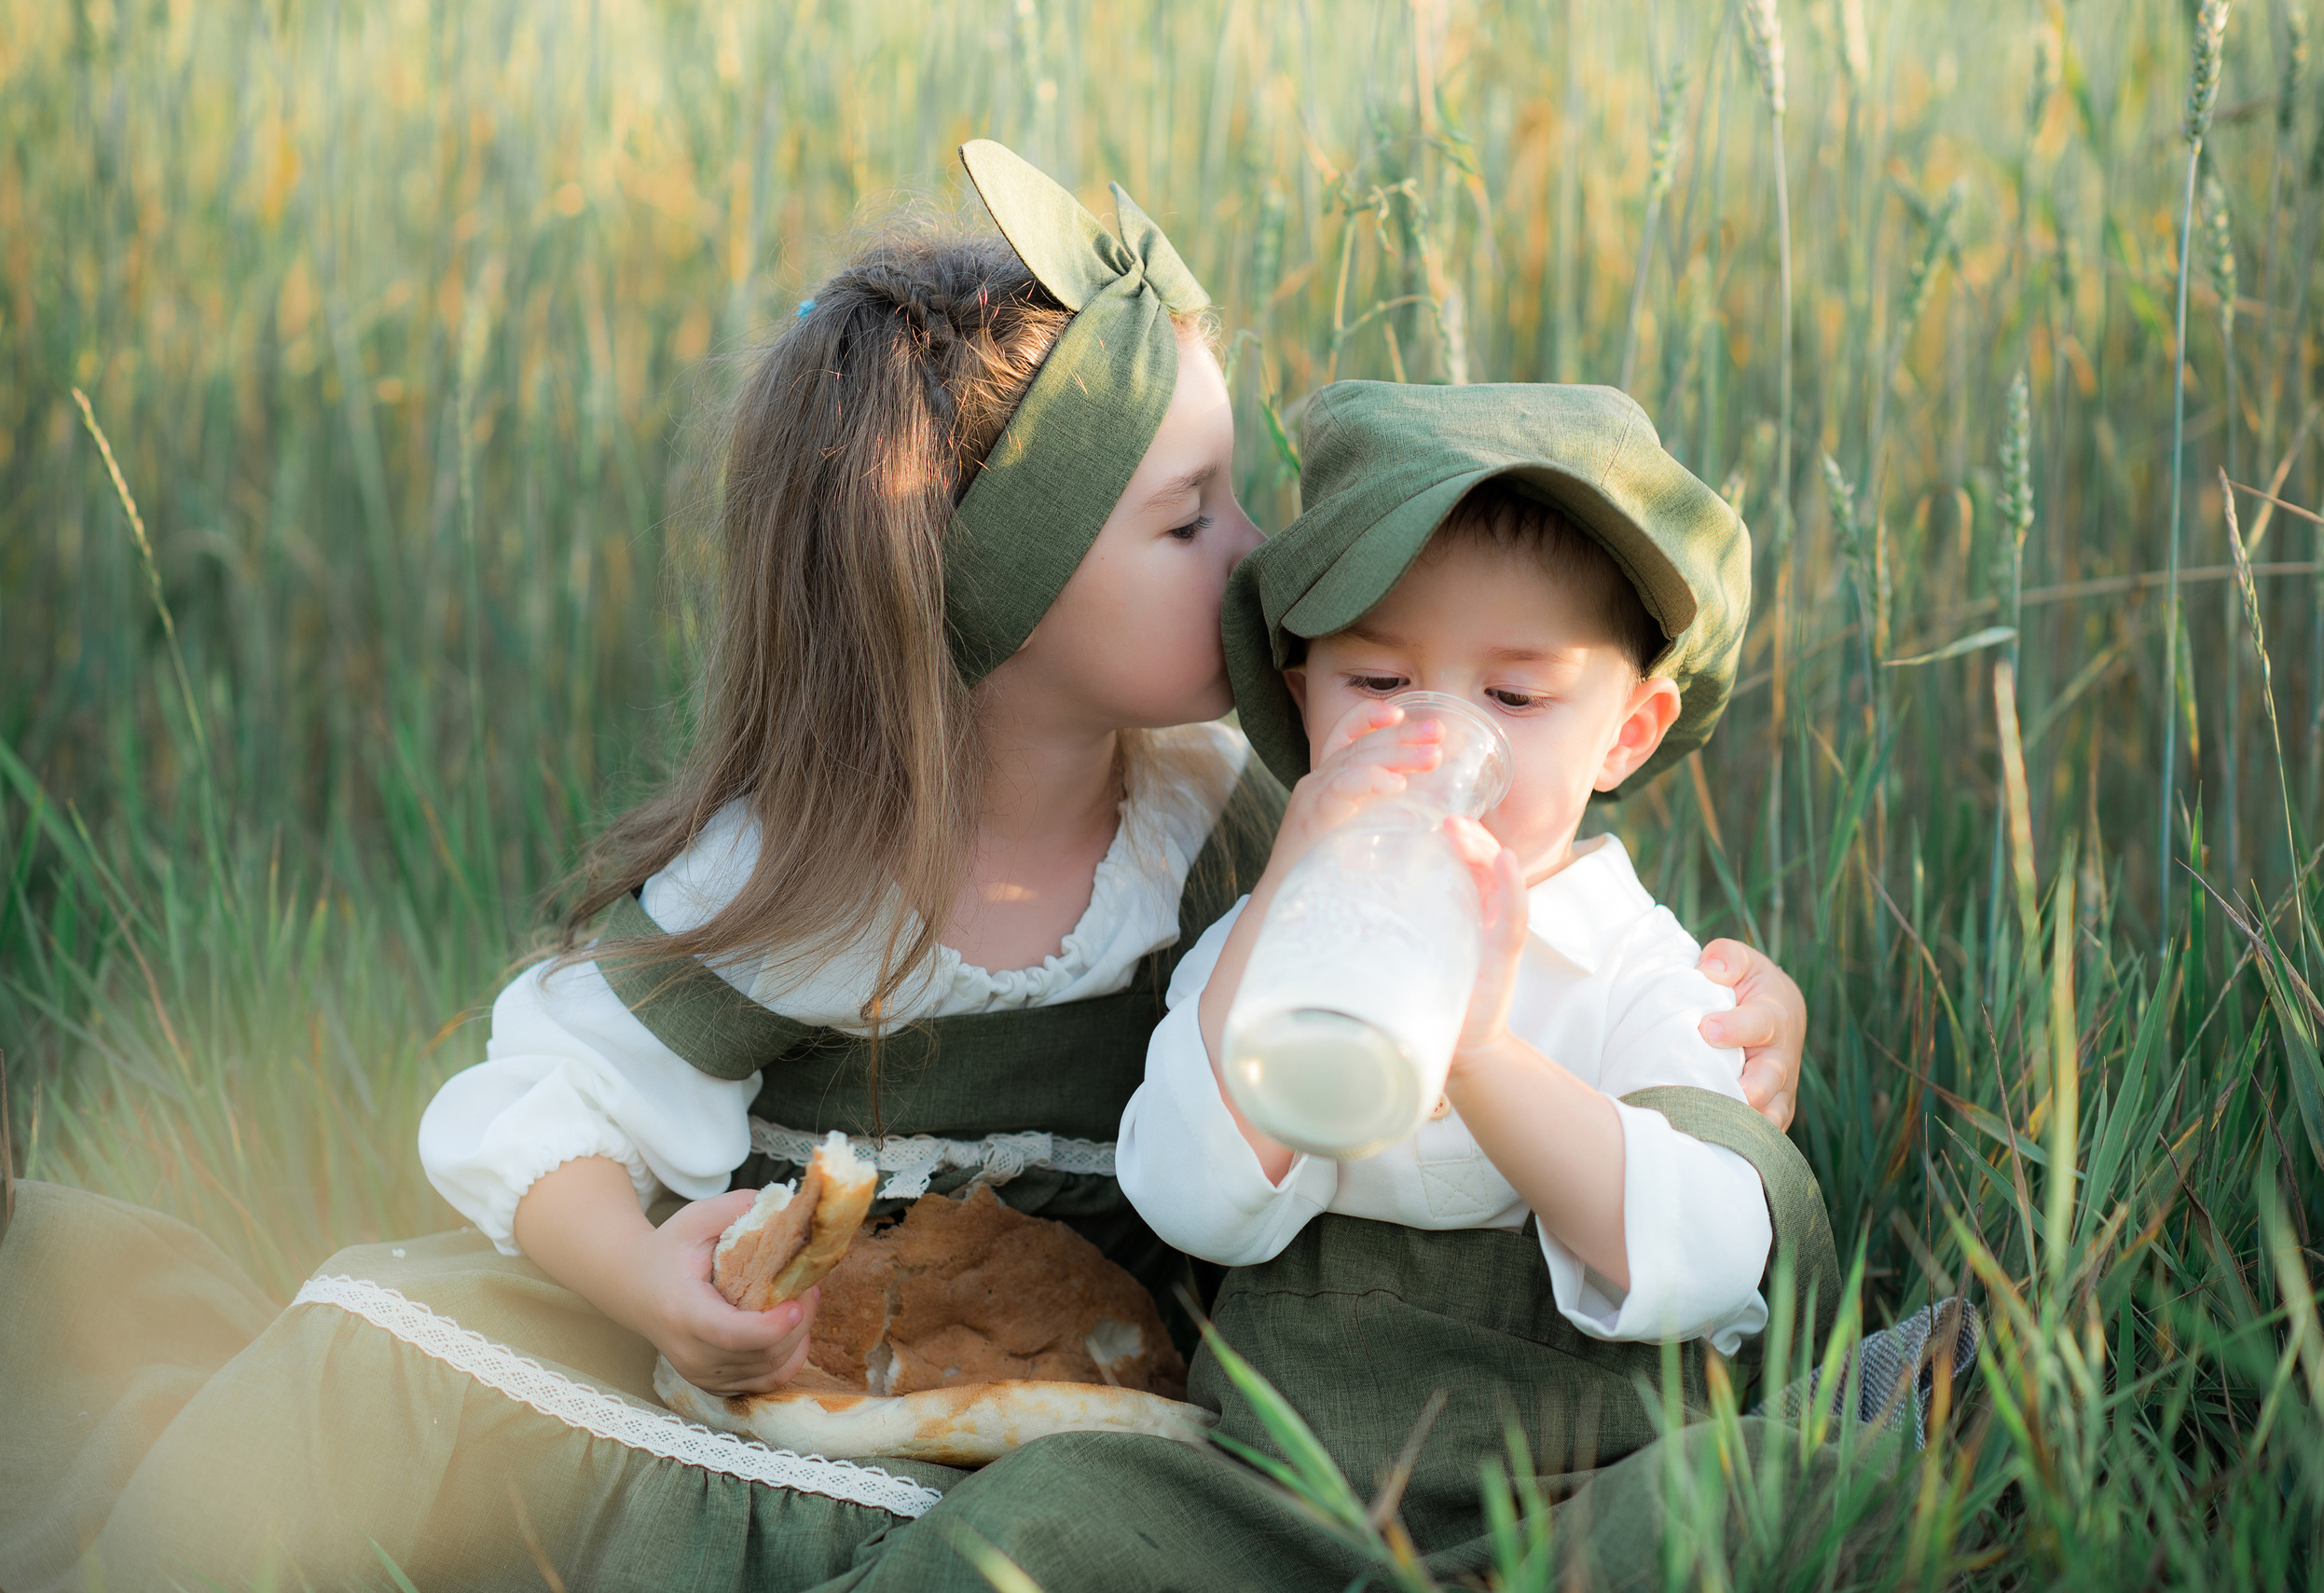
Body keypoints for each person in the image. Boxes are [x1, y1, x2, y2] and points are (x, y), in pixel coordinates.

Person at [0, 148, 1807, 1593]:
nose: (1264, 560)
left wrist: (1728, 1023)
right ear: (989, 595)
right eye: (1189, 518)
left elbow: (1519, 922)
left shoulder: (1232, 814)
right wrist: (645, 1283)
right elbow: (537, 1097)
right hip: (788, 1369)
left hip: (1086, 1410)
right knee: (378, 1363)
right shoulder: (806, 882)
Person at [818, 380, 1850, 1593]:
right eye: (1380, 683)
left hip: (1569, 1483)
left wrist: (1481, 1055)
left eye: (1514, 696)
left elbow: (1712, 1250)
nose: (1434, 734)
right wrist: (1282, 931)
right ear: (1300, 687)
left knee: (1707, 1505)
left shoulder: (1644, 967)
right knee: (1040, 1518)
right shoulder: (1261, 941)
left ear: (1627, 731)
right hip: (1274, 1488)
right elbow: (1192, 1202)